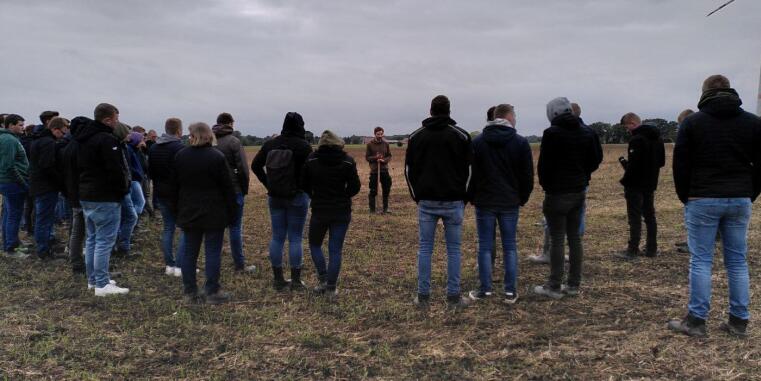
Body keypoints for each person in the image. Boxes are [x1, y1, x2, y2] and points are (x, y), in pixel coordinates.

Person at [668, 75, 761, 338]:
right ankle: (739, 321)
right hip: (739, 198)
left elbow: (681, 165)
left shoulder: (693, 123)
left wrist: (686, 195)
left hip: (702, 197)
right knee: (737, 261)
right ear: (730, 90)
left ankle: (696, 320)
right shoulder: (753, 123)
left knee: (701, 260)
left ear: (704, 92)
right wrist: (749, 193)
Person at [405, 95, 473, 309]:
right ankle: (453, 297)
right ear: (449, 110)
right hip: (453, 201)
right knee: (453, 250)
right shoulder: (461, 136)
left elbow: (409, 171)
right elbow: (470, 171)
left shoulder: (417, 137)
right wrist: (465, 197)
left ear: (431, 110)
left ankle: (423, 297)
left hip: (427, 201)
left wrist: (417, 195)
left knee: (425, 249)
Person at [533, 97, 602, 299]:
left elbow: (544, 166)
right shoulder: (588, 132)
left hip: (557, 193)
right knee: (574, 238)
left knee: (557, 239)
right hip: (579, 190)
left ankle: (554, 286)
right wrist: (584, 175)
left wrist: (548, 186)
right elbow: (596, 158)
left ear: (553, 114)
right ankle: (573, 285)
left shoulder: (552, 134)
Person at [468, 104, 533, 304]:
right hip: (509, 201)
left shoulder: (478, 142)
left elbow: (471, 174)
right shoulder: (520, 143)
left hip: (485, 201)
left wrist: (472, 196)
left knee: (485, 247)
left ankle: (484, 290)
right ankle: (510, 292)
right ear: (508, 117)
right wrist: (522, 197)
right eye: (515, 115)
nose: (516, 119)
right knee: (510, 246)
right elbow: (527, 176)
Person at [173, 122, 237, 304]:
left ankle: (190, 291)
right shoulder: (217, 157)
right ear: (209, 135)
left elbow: (174, 186)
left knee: (190, 253)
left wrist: (176, 210)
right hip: (214, 213)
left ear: (192, 135)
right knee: (212, 252)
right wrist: (233, 213)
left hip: (188, 211)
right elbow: (228, 189)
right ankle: (211, 291)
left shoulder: (180, 156)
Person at [252, 112, 313, 291]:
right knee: (295, 238)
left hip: (275, 197)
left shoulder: (270, 144)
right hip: (297, 197)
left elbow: (256, 166)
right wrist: (305, 189)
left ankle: (278, 279)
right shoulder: (304, 146)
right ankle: (295, 280)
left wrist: (268, 184)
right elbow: (311, 171)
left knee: (277, 237)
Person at [77, 103, 130, 296]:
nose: (117, 123)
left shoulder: (83, 139)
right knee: (104, 241)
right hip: (105, 196)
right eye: (116, 119)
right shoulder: (107, 140)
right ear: (107, 120)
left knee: (92, 239)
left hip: (87, 194)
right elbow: (115, 170)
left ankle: (94, 279)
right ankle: (101, 284)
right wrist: (123, 189)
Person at [302, 130, 361, 300]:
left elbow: (304, 183)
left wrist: (314, 194)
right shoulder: (347, 161)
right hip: (341, 211)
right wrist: (344, 195)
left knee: (314, 245)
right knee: (335, 249)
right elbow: (355, 187)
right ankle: (331, 287)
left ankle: (322, 279)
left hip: (319, 209)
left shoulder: (312, 159)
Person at [614, 113, 665, 260]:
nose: (627, 130)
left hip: (635, 185)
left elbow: (634, 167)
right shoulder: (658, 138)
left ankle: (632, 250)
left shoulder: (636, 140)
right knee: (650, 216)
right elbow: (661, 162)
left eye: (626, 127)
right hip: (650, 183)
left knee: (634, 217)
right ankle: (651, 249)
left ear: (632, 123)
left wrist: (625, 179)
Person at [212, 112, 255, 273]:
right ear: (230, 123)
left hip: (215, 191)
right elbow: (243, 168)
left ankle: (214, 264)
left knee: (216, 229)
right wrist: (243, 189)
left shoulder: (210, 140)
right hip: (233, 189)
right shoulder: (234, 141)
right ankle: (239, 264)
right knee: (235, 227)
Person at [148, 118, 186, 277]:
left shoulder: (154, 148)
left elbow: (150, 172)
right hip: (177, 195)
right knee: (185, 229)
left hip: (160, 193)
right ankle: (180, 265)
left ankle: (169, 265)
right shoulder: (179, 148)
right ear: (179, 131)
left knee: (168, 228)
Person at [29, 116, 66, 260]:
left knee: (42, 218)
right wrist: (60, 181)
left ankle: (44, 246)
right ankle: (43, 251)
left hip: (39, 184)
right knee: (44, 219)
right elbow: (47, 166)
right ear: (55, 129)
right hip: (46, 186)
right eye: (62, 132)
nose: (63, 135)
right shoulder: (48, 143)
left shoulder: (38, 139)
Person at [59, 116, 91, 274]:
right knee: (87, 231)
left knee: (77, 230)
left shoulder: (68, 146)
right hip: (83, 194)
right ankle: (87, 264)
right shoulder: (80, 147)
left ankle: (76, 261)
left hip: (72, 193)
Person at [0, 114, 31, 258]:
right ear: (10, 125)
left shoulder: (10, 139)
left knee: (9, 214)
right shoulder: (9, 140)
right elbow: (9, 165)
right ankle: (11, 249)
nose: (23, 128)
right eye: (20, 125)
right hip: (12, 183)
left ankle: (11, 242)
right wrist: (23, 183)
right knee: (13, 216)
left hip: (9, 182)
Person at [113, 123, 139, 259]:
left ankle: (121, 244)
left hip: (125, 188)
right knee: (131, 216)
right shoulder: (118, 148)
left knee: (124, 217)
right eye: (128, 132)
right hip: (122, 190)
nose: (130, 135)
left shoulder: (123, 147)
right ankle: (122, 246)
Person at [674, 109, 695, 254]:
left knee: (692, 219)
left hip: (695, 188)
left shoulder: (690, 137)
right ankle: (690, 241)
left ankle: (692, 244)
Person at [365, 126, 392, 214]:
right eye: (378, 134)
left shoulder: (386, 144)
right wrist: (375, 157)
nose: (380, 135)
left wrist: (383, 160)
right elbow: (367, 157)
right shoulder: (370, 144)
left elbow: (389, 156)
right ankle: (372, 210)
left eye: (381, 134)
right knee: (373, 190)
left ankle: (385, 208)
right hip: (374, 171)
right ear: (375, 134)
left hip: (384, 170)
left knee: (386, 189)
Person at [125, 132, 147, 216]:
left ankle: (133, 221)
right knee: (140, 202)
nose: (142, 142)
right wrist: (138, 173)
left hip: (136, 179)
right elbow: (129, 166)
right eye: (141, 140)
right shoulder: (129, 150)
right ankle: (132, 218)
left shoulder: (135, 150)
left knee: (138, 202)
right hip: (134, 180)